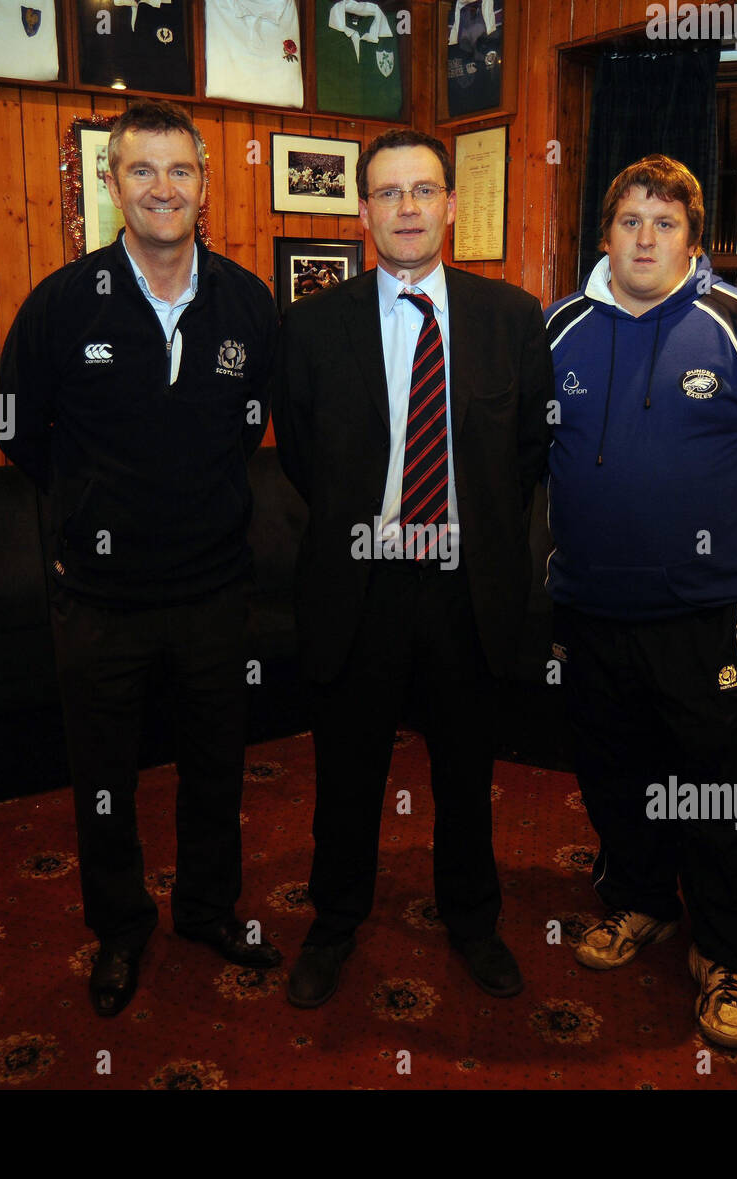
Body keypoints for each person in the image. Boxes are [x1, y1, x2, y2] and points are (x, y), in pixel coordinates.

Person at [0, 100, 281, 1017]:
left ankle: (206, 908)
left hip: (212, 592)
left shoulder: (247, 304)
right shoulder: (61, 303)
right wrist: (95, 507)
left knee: (215, 769)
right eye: (142, 170)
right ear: (111, 184)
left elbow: (246, 433)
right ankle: (120, 926)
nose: (163, 188)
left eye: (181, 170)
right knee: (105, 781)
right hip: (100, 599)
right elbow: (18, 431)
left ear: (205, 183)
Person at [543, 154, 737, 1049]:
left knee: (712, 788)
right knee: (613, 772)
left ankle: (733, 950)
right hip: (587, 607)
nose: (645, 237)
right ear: (606, 234)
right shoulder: (558, 328)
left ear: (691, 240)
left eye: (665, 224)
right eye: (631, 220)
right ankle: (637, 901)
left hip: (704, 611)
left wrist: (731, 536)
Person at [272, 129, 553, 1008]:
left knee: (467, 773)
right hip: (363, 583)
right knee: (347, 772)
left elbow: (529, 451)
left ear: (451, 205)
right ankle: (334, 921)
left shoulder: (512, 317)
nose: (405, 208)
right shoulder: (312, 325)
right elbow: (303, 455)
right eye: (387, 193)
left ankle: (472, 918)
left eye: (422, 191)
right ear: (363, 211)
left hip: (469, 587)